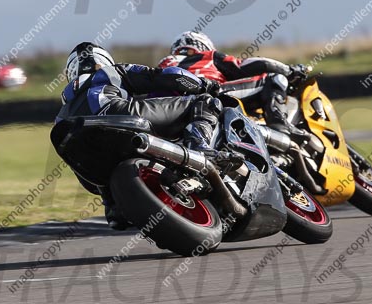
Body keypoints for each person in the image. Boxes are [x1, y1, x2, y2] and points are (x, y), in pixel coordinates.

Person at [57, 42, 240, 229]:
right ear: (103, 61)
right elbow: (167, 76)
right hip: (118, 114)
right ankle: (200, 146)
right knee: (205, 102)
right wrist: (205, 84)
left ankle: (112, 206)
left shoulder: (63, 109)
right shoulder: (108, 72)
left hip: (85, 158)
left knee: (92, 156)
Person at [159, 31, 309, 140]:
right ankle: (280, 125)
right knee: (274, 78)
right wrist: (290, 71)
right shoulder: (208, 56)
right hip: (210, 96)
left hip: (171, 109)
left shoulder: (163, 64)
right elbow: (248, 65)